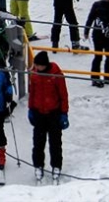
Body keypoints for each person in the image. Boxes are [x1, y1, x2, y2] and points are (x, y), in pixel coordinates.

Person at [28, 51, 69, 183]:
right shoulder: (34, 75)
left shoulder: (57, 76)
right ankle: (38, 165)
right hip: (39, 113)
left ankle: (56, 166)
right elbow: (32, 93)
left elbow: (63, 95)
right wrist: (31, 109)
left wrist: (64, 113)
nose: (36, 67)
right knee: (38, 143)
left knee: (55, 143)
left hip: (54, 113)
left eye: (38, 65)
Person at [84, 0, 109, 87]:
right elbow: (90, 18)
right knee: (98, 56)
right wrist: (86, 31)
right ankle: (95, 78)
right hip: (97, 35)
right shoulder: (97, 5)